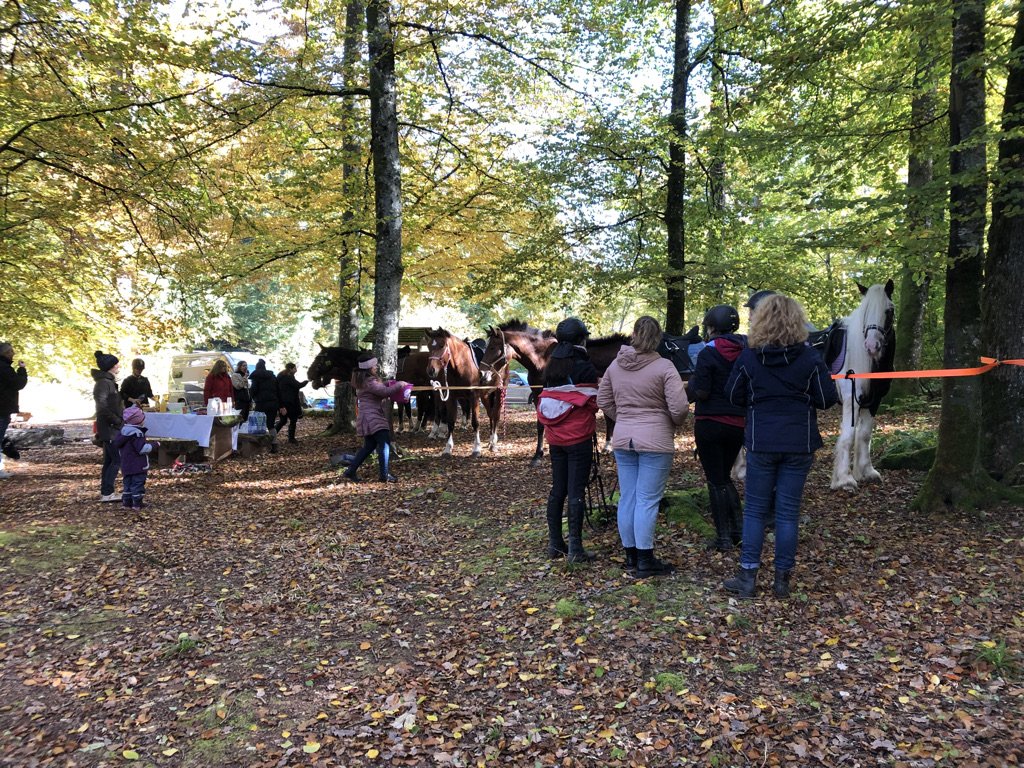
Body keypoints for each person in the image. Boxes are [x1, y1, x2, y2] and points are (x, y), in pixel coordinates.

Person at [723, 294, 839, 599]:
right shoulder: (810, 358)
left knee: (755, 511)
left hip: (762, 441)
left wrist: (757, 398)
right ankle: (781, 581)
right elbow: (826, 399)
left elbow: (733, 395)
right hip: (799, 443)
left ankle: (748, 577)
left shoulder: (749, 358)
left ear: (760, 320)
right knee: (788, 513)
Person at [598, 316, 689, 578]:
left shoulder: (616, 366)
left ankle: (631, 556)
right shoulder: (665, 367)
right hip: (655, 440)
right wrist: (671, 422)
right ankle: (646, 559)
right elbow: (679, 407)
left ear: (634, 334)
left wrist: (623, 418)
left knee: (628, 497)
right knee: (647, 500)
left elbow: (603, 400)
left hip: (623, 439)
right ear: (658, 337)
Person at [536, 317, 600, 563]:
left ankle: (555, 544)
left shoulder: (551, 366)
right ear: (581, 339)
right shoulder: (585, 366)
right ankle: (576, 548)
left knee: (558, 489)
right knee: (576, 491)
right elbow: (592, 402)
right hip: (579, 437)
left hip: (556, 438)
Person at [686, 305, 746, 551]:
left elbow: (701, 391)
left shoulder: (708, 353)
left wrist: (687, 389)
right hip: (738, 423)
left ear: (711, 327)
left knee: (715, 480)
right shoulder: (747, 350)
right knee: (724, 477)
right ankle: (738, 531)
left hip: (710, 422)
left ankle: (723, 537)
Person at [343, 353, 408, 483]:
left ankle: (350, 471)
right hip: (373, 417)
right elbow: (384, 392)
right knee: (385, 444)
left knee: (369, 446)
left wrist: (387, 383)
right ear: (369, 368)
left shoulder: (363, 380)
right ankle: (384, 474)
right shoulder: (370, 381)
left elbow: (379, 388)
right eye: (374, 366)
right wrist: (400, 384)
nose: (376, 367)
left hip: (366, 417)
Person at [92, 351, 124, 502]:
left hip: (111, 427)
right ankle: (107, 492)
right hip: (110, 429)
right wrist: (116, 421)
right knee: (116, 460)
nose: (118, 366)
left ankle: (106, 492)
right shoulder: (104, 383)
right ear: (110, 366)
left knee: (110, 460)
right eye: (116, 364)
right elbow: (102, 407)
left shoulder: (107, 382)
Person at [112, 406, 158, 510]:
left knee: (127, 484)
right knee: (138, 484)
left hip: (126, 464)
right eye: (142, 418)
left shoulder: (123, 431)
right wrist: (154, 445)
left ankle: (126, 503)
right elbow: (142, 449)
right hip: (138, 465)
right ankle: (137, 503)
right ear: (138, 420)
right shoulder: (137, 434)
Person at [0, 343, 28, 479]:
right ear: (5, 353)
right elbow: (18, 383)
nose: (13, 354)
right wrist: (22, 369)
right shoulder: (4, 368)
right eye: (11, 351)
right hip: (2, 409)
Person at [249, 359, 280, 452]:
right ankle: (274, 444)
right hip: (273, 403)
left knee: (259, 424)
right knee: (271, 425)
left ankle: (259, 446)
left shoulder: (256, 377)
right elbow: (278, 390)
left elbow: (253, 390)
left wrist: (252, 397)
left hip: (261, 403)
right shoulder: (272, 376)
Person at [275, 363, 308, 444]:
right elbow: (298, 385)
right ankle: (291, 438)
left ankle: (271, 436)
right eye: (294, 368)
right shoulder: (288, 377)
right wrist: (307, 381)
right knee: (293, 420)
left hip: (282, 402)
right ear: (290, 369)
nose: (296, 369)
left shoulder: (281, 376)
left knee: (283, 421)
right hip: (290, 403)